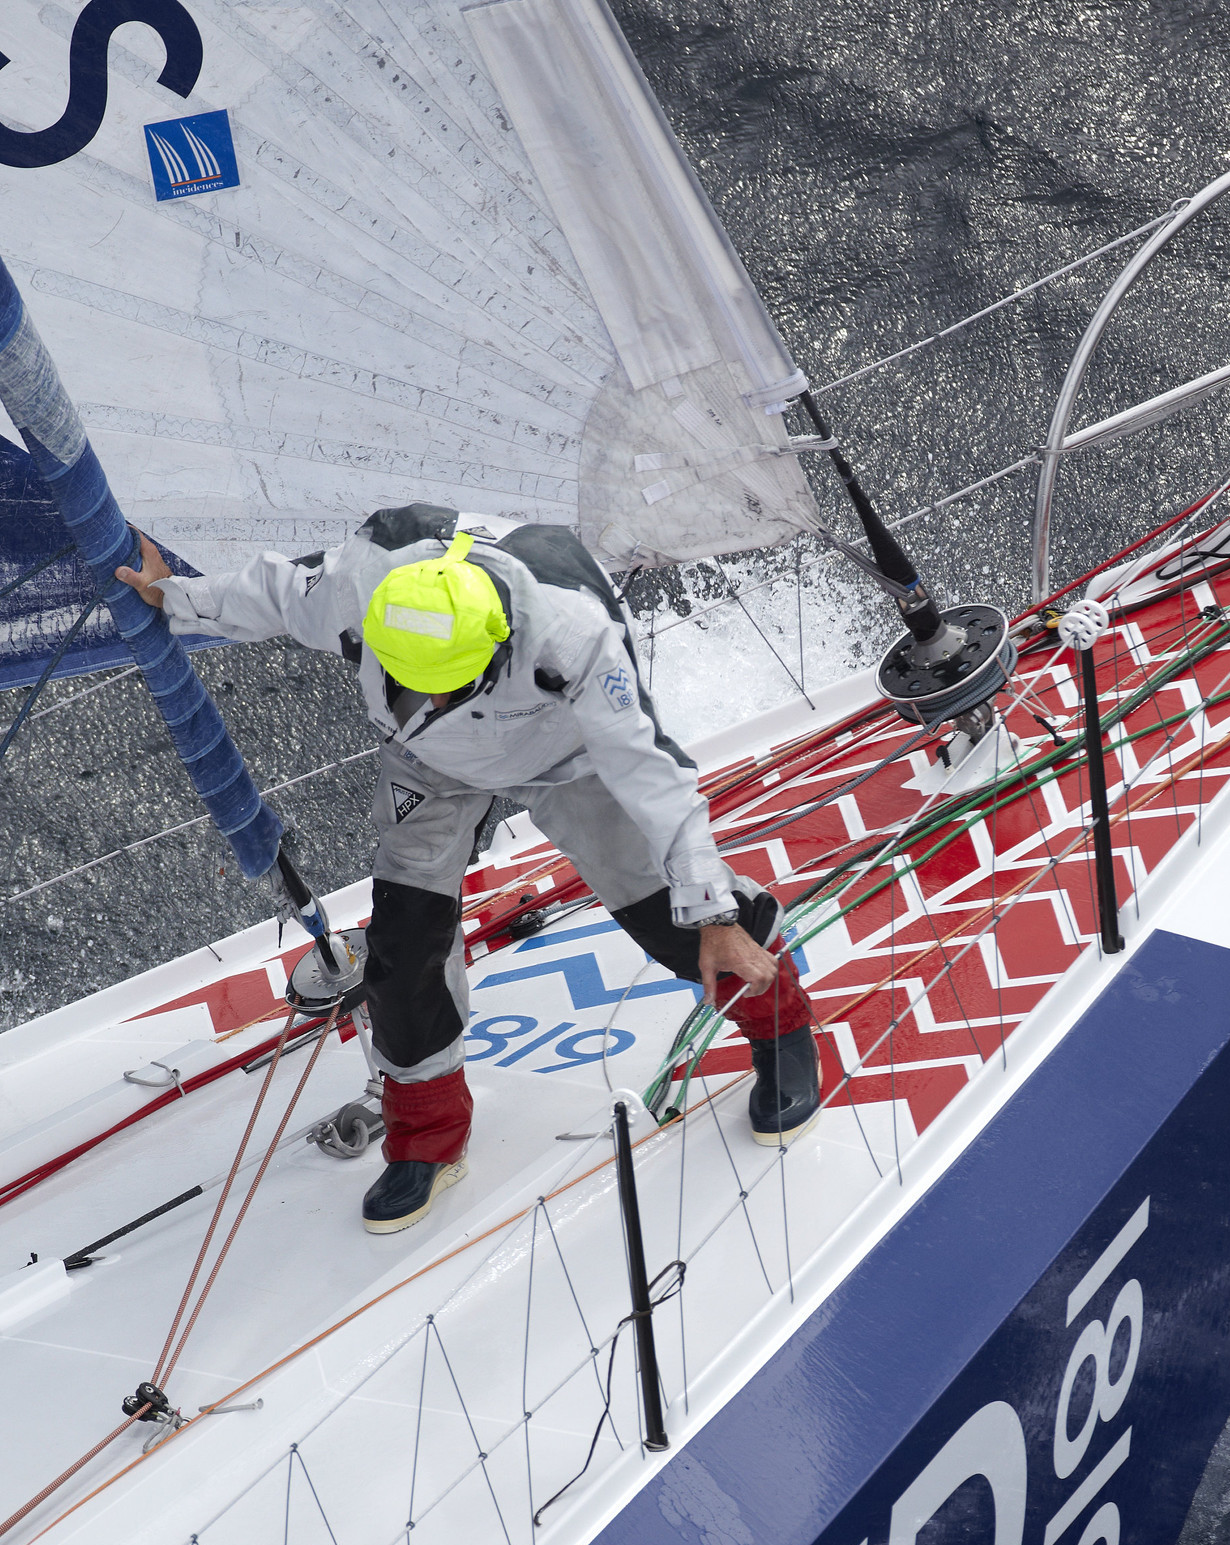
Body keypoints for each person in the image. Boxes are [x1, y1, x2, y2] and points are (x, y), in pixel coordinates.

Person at [118, 504, 819, 1235]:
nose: (431, 700)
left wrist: (712, 915)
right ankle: (427, 1138)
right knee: (404, 943)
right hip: (428, 762)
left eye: (448, 687)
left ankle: (782, 1028)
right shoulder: (362, 581)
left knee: (664, 908)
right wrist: (177, 597)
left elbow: (654, 777)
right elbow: (275, 591)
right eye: (411, 681)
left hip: (563, 753)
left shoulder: (574, 636)